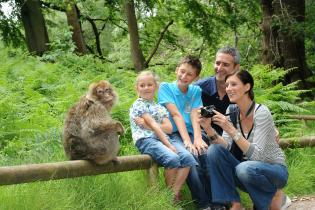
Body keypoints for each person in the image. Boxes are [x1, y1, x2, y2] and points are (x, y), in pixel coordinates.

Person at [199, 70, 289, 210]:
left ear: (247, 87)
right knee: (214, 150)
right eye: (227, 85)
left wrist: (231, 129)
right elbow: (226, 146)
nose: (228, 88)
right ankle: (235, 203)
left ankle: (273, 195)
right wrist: (208, 128)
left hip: (274, 171)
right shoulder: (232, 109)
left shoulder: (261, 112)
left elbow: (257, 156)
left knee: (244, 167)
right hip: (248, 172)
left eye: (233, 84)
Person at [129, 71, 197, 202]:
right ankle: (169, 197)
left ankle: (172, 194)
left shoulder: (159, 107)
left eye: (150, 84)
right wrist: (169, 145)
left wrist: (147, 126)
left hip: (164, 138)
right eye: (142, 85)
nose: (146, 88)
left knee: (188, 158)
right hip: (147, 140)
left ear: (156, 87)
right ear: (137, 88)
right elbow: (155, 125)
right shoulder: (138, 104)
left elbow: (169, 128)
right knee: (172, 158)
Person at [157, 55, 211, 210]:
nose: (184, 76)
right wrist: (188, 142)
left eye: (189, 74)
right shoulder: (166, 88)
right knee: (192, 161)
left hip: (191, 133)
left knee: (205, 155)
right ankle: (202, 204)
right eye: (182, 71)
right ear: (176, 70)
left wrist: (198, 138)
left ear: (196, 77)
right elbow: (176, 115)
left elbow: (195, 114)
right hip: (173, 134)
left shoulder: (195, 90)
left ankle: (216, 201)